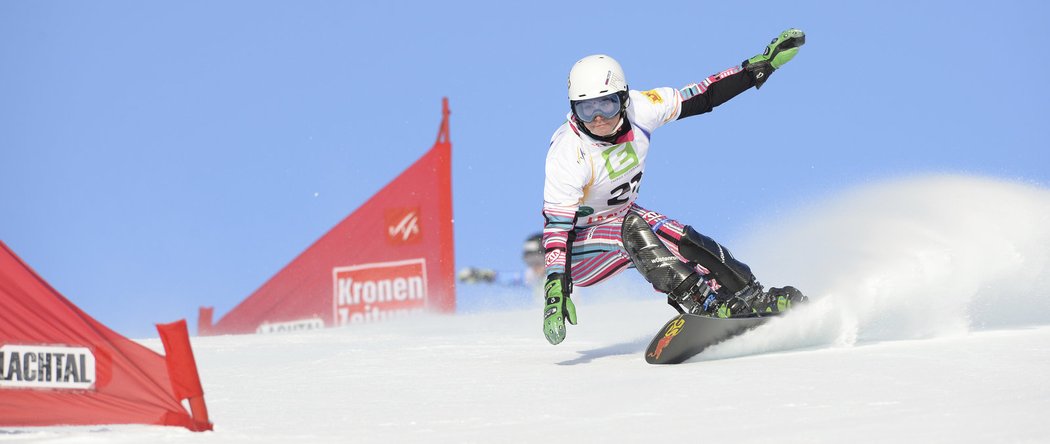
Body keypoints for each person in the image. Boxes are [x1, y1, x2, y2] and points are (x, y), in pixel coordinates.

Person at [542, 29, 809, 345]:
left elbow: (703, 94)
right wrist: (556, 286)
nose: (598, 118)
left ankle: (751, 296)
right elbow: (557, 228)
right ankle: (704, 305)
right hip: (581, 251)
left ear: (623, 99)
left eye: (608, 105)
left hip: (626, 219)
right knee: (632, 227)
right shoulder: (568, 151)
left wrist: (757, 68)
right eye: (587, 109)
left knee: (686, 239)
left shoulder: (641, 109)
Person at [458, 233, 545, 292]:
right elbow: (509, 278)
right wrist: (484, 275)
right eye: (530, 262)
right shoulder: (533, 276)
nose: (535, 266)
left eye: (539, 260)